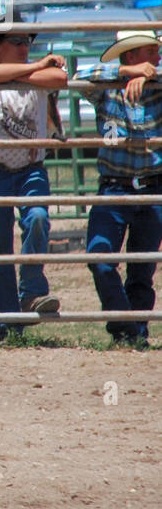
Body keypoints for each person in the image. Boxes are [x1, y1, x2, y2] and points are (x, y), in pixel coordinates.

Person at [0, 26, 66, 337]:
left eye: (26, 42)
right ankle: (7, 320)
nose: (24, 47)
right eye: (15, 42)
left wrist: (19, 74)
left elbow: (59, 79)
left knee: (38, 218)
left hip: (29, 168)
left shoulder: (35, 75)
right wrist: (36, 68)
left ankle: (31, 292)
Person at [76, 29, 162, 348]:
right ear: (131, 55)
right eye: (151, 52)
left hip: (152, 188)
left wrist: (150, 72)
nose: (157, 57)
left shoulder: (158, 85)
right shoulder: (107, 89)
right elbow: (80, 73)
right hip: (114, 188)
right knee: (100, 258)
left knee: (142, 270)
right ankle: (128, 327)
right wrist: (125, 73)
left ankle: (133, 332)